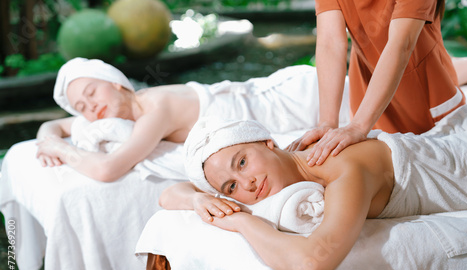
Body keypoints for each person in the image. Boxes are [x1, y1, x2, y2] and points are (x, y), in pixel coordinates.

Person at [160, 100, 467, 270]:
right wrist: (197, 199)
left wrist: (243, 223)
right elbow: (167, 194)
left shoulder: (345, 169)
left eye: (243, 162)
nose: (245, 184)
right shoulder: (297, 158)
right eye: (230, 187)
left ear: (270, 143)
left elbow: (308, 268)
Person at [287, 0, 467, 167]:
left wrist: (359, 127)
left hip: (426, 97)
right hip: (369, 84)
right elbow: (330, 42)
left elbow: (402, 44)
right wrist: (327, 123)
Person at [36, 57, 322, 181]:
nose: (90, 107)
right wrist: (44, 141)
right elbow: (54, 126)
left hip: (292, 102)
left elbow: (108, 169)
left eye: (91, 92)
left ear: (116, 83)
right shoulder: (132, 109)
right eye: (81, 106)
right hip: (274, 100)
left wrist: (60, 149)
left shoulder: (156, 109)